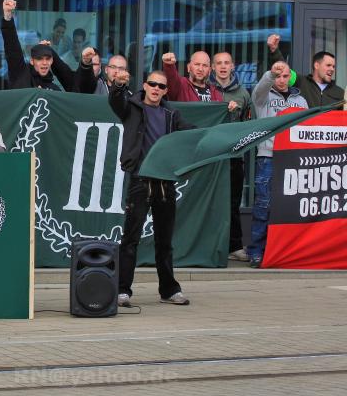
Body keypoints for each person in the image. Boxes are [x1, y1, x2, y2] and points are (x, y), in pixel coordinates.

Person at [108, 69, 195, 307]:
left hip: (165, 182)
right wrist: (117, 86)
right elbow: (116, 101)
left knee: (164, 240)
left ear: (166, 91)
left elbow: (192, 131)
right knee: (130, 238)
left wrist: (221, 123)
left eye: (161, 86)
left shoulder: (171, 114)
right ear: (144, 85)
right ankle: (123, 290)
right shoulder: (131, 107)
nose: (156, 89)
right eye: (152, 84)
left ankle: (169, 290)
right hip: (140, 180)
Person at [247, 61, 308, 269]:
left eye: (285, 76)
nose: (281, 80)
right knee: (264, 205)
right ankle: (256, 251)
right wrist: (270, 73)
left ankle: (284, 252)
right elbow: (259, 89)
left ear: (290, 77)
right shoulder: (263, 98)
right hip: (269, 157)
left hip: (293, 159)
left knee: (289, 207)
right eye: (278, 76)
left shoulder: (300, 100)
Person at [211, 51, 254, 262]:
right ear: (212, 67)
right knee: (210, 202)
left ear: (233, 66)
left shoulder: (243, 94)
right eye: (218, 63)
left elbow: (249, 126)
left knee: (233, 202)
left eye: (226, 63)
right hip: (211, 156)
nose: (222, 66)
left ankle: (235, 245)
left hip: (234, 156)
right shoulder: (207, 91)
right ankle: (210, 244)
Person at [0, 0, 61, 90]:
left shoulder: (55, 91)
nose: (44, 63)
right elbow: (12, 48)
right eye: (39, 58)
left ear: (52, 61)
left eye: (47, 59)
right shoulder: (21, 75)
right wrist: (8, 19)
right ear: (32, 61)